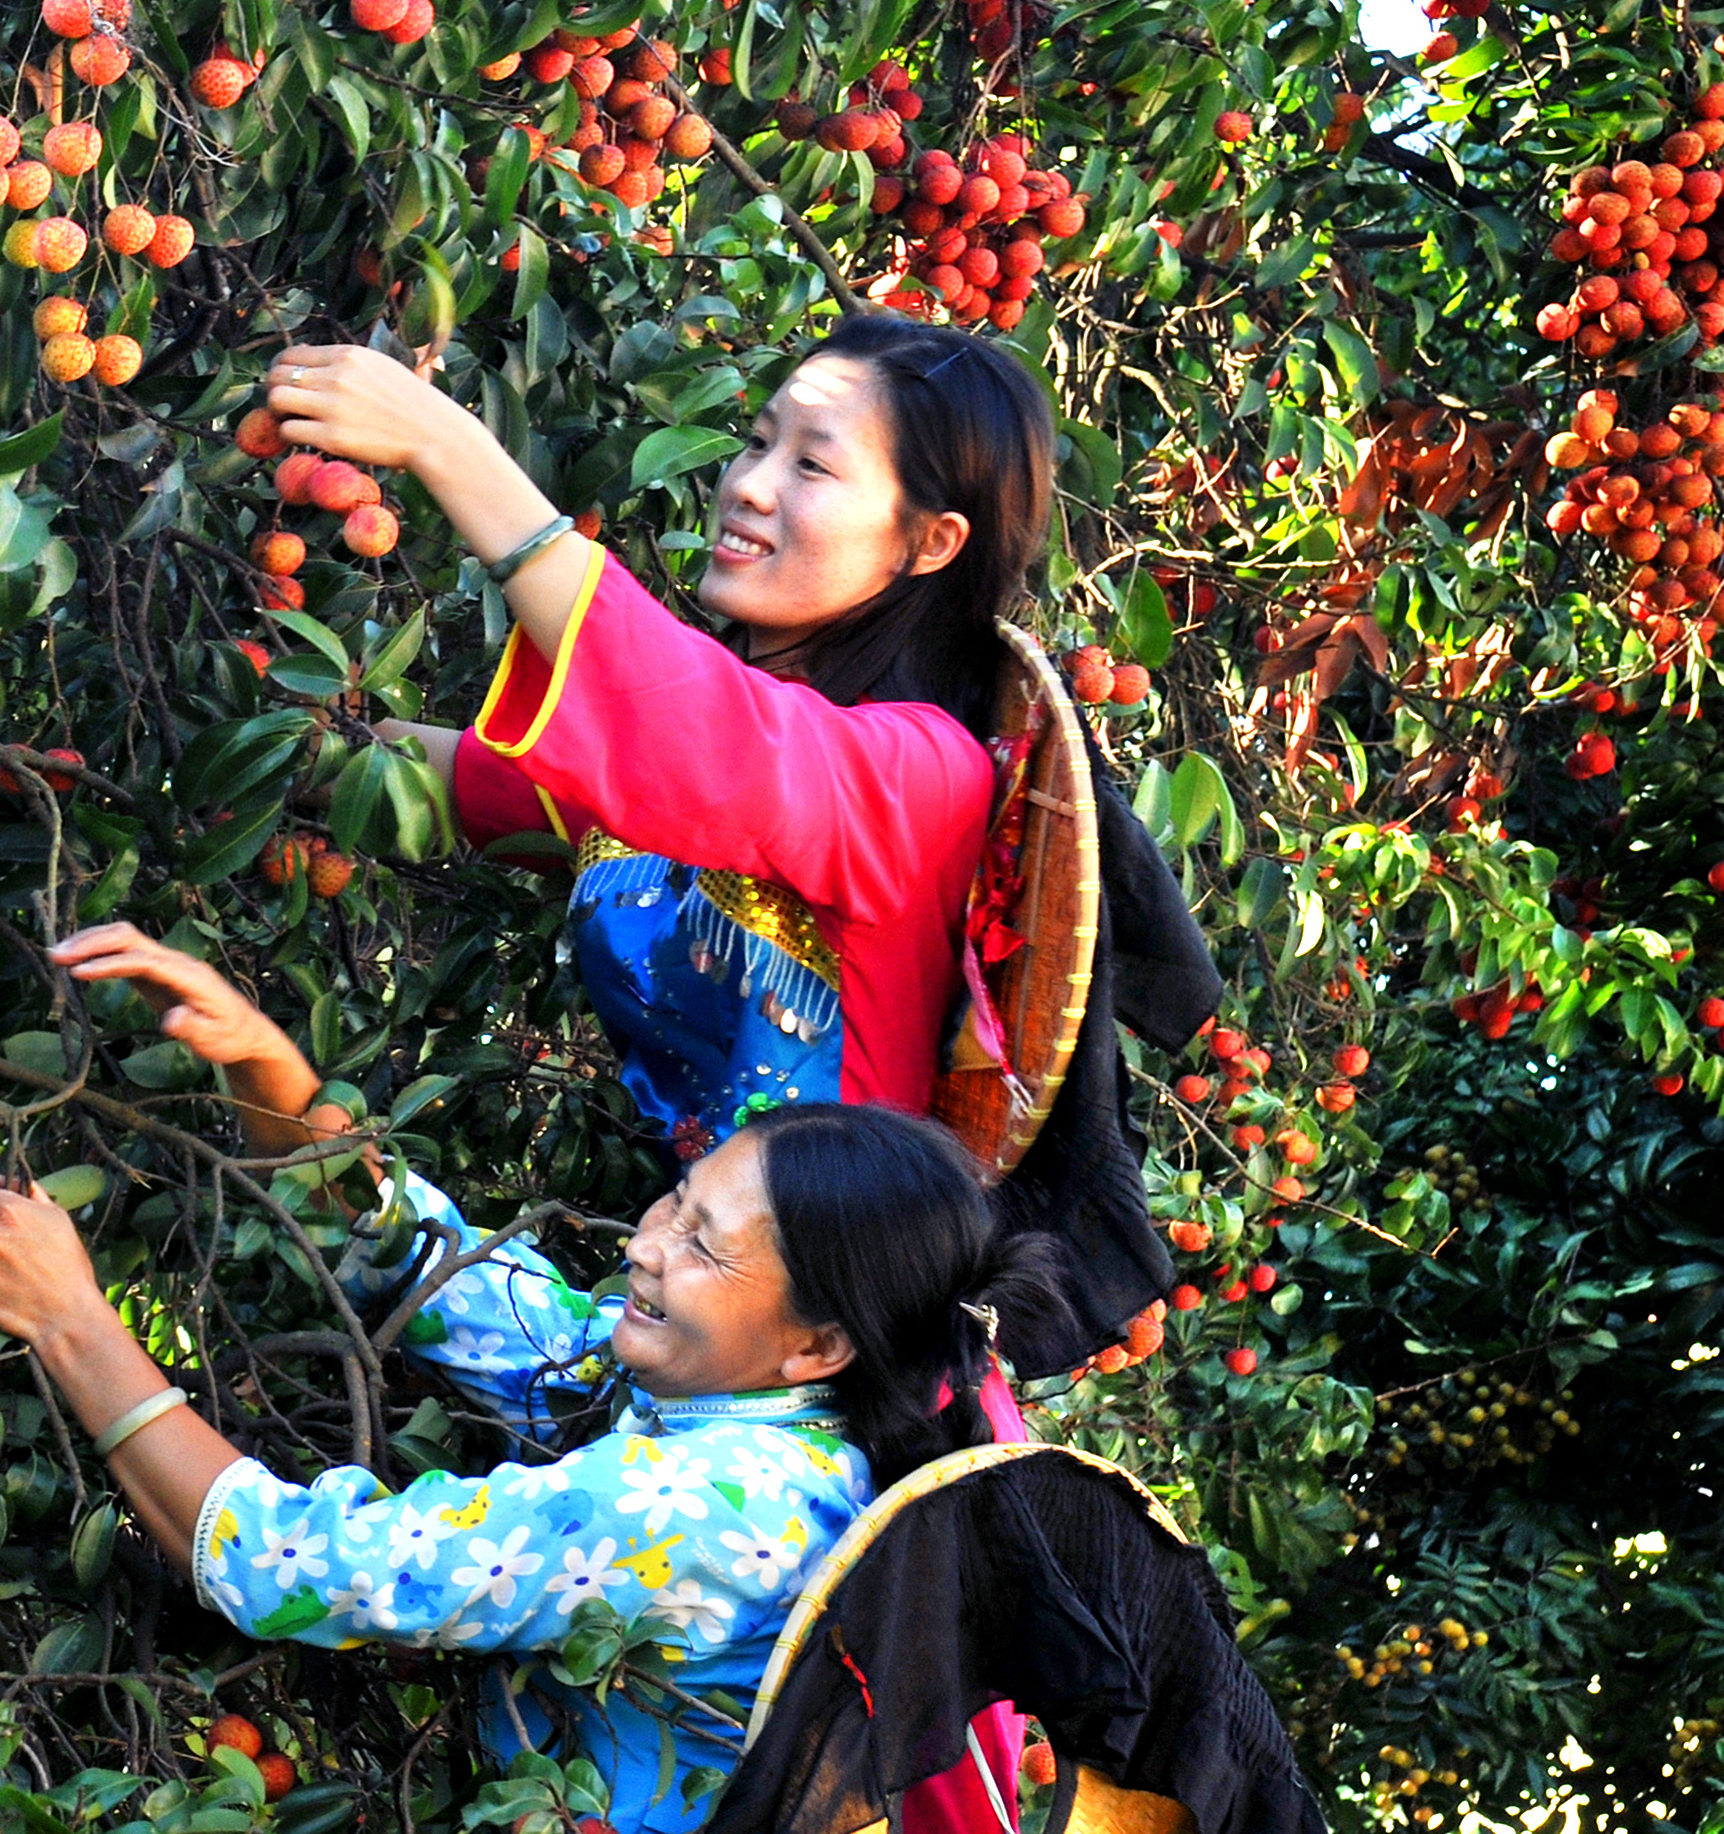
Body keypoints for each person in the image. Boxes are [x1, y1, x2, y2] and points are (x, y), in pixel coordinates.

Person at [0, 925, 1067, 1834]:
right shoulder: (764, 1419)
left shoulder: (695, 1508)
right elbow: (465, 1288)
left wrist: (70, 1323)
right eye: (675, 1203)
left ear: (817, 1343)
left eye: (701, 1245)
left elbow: (283, 1562)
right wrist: (270, 1071)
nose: (645, 1242)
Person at [260, 318, 1219, 1390]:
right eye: (757, 443)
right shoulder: (736, 761)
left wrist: (448, 444)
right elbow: (480, 784)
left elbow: (702, 734)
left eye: (811, 463)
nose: (751, 485)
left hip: (826, 1388)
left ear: (929, 542)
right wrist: (248, 727)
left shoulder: (921, 773)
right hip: (700, 1329)